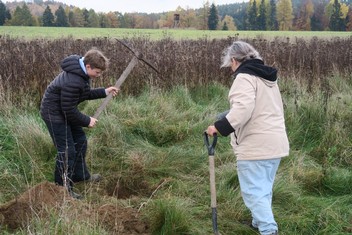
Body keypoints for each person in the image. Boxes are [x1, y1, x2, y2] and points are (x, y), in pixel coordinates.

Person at [206, 41, 289, 235]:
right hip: (275, 143)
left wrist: (219, 127)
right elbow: (259, 106)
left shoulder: (244, 77)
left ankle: (269, 230)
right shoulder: (266, 78)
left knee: (253, 192)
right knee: (263, 188)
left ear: (235, 61)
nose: (231, 69)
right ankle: (257, 222)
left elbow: (243, 109)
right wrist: (228, 113)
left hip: (256, 145)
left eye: (230, 65)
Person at [40, 48, 118, 199]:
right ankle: (62, 189)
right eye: (98, 72)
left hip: (64, 111)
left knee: (81, 141)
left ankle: (79, 175)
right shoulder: (73, 81)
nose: (98, 75)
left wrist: (104, 91)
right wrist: (87, 120)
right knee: (67, 151)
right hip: (54, 114)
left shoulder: (80, 72)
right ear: (88, 66)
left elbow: (84, 93)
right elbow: (68, 110)